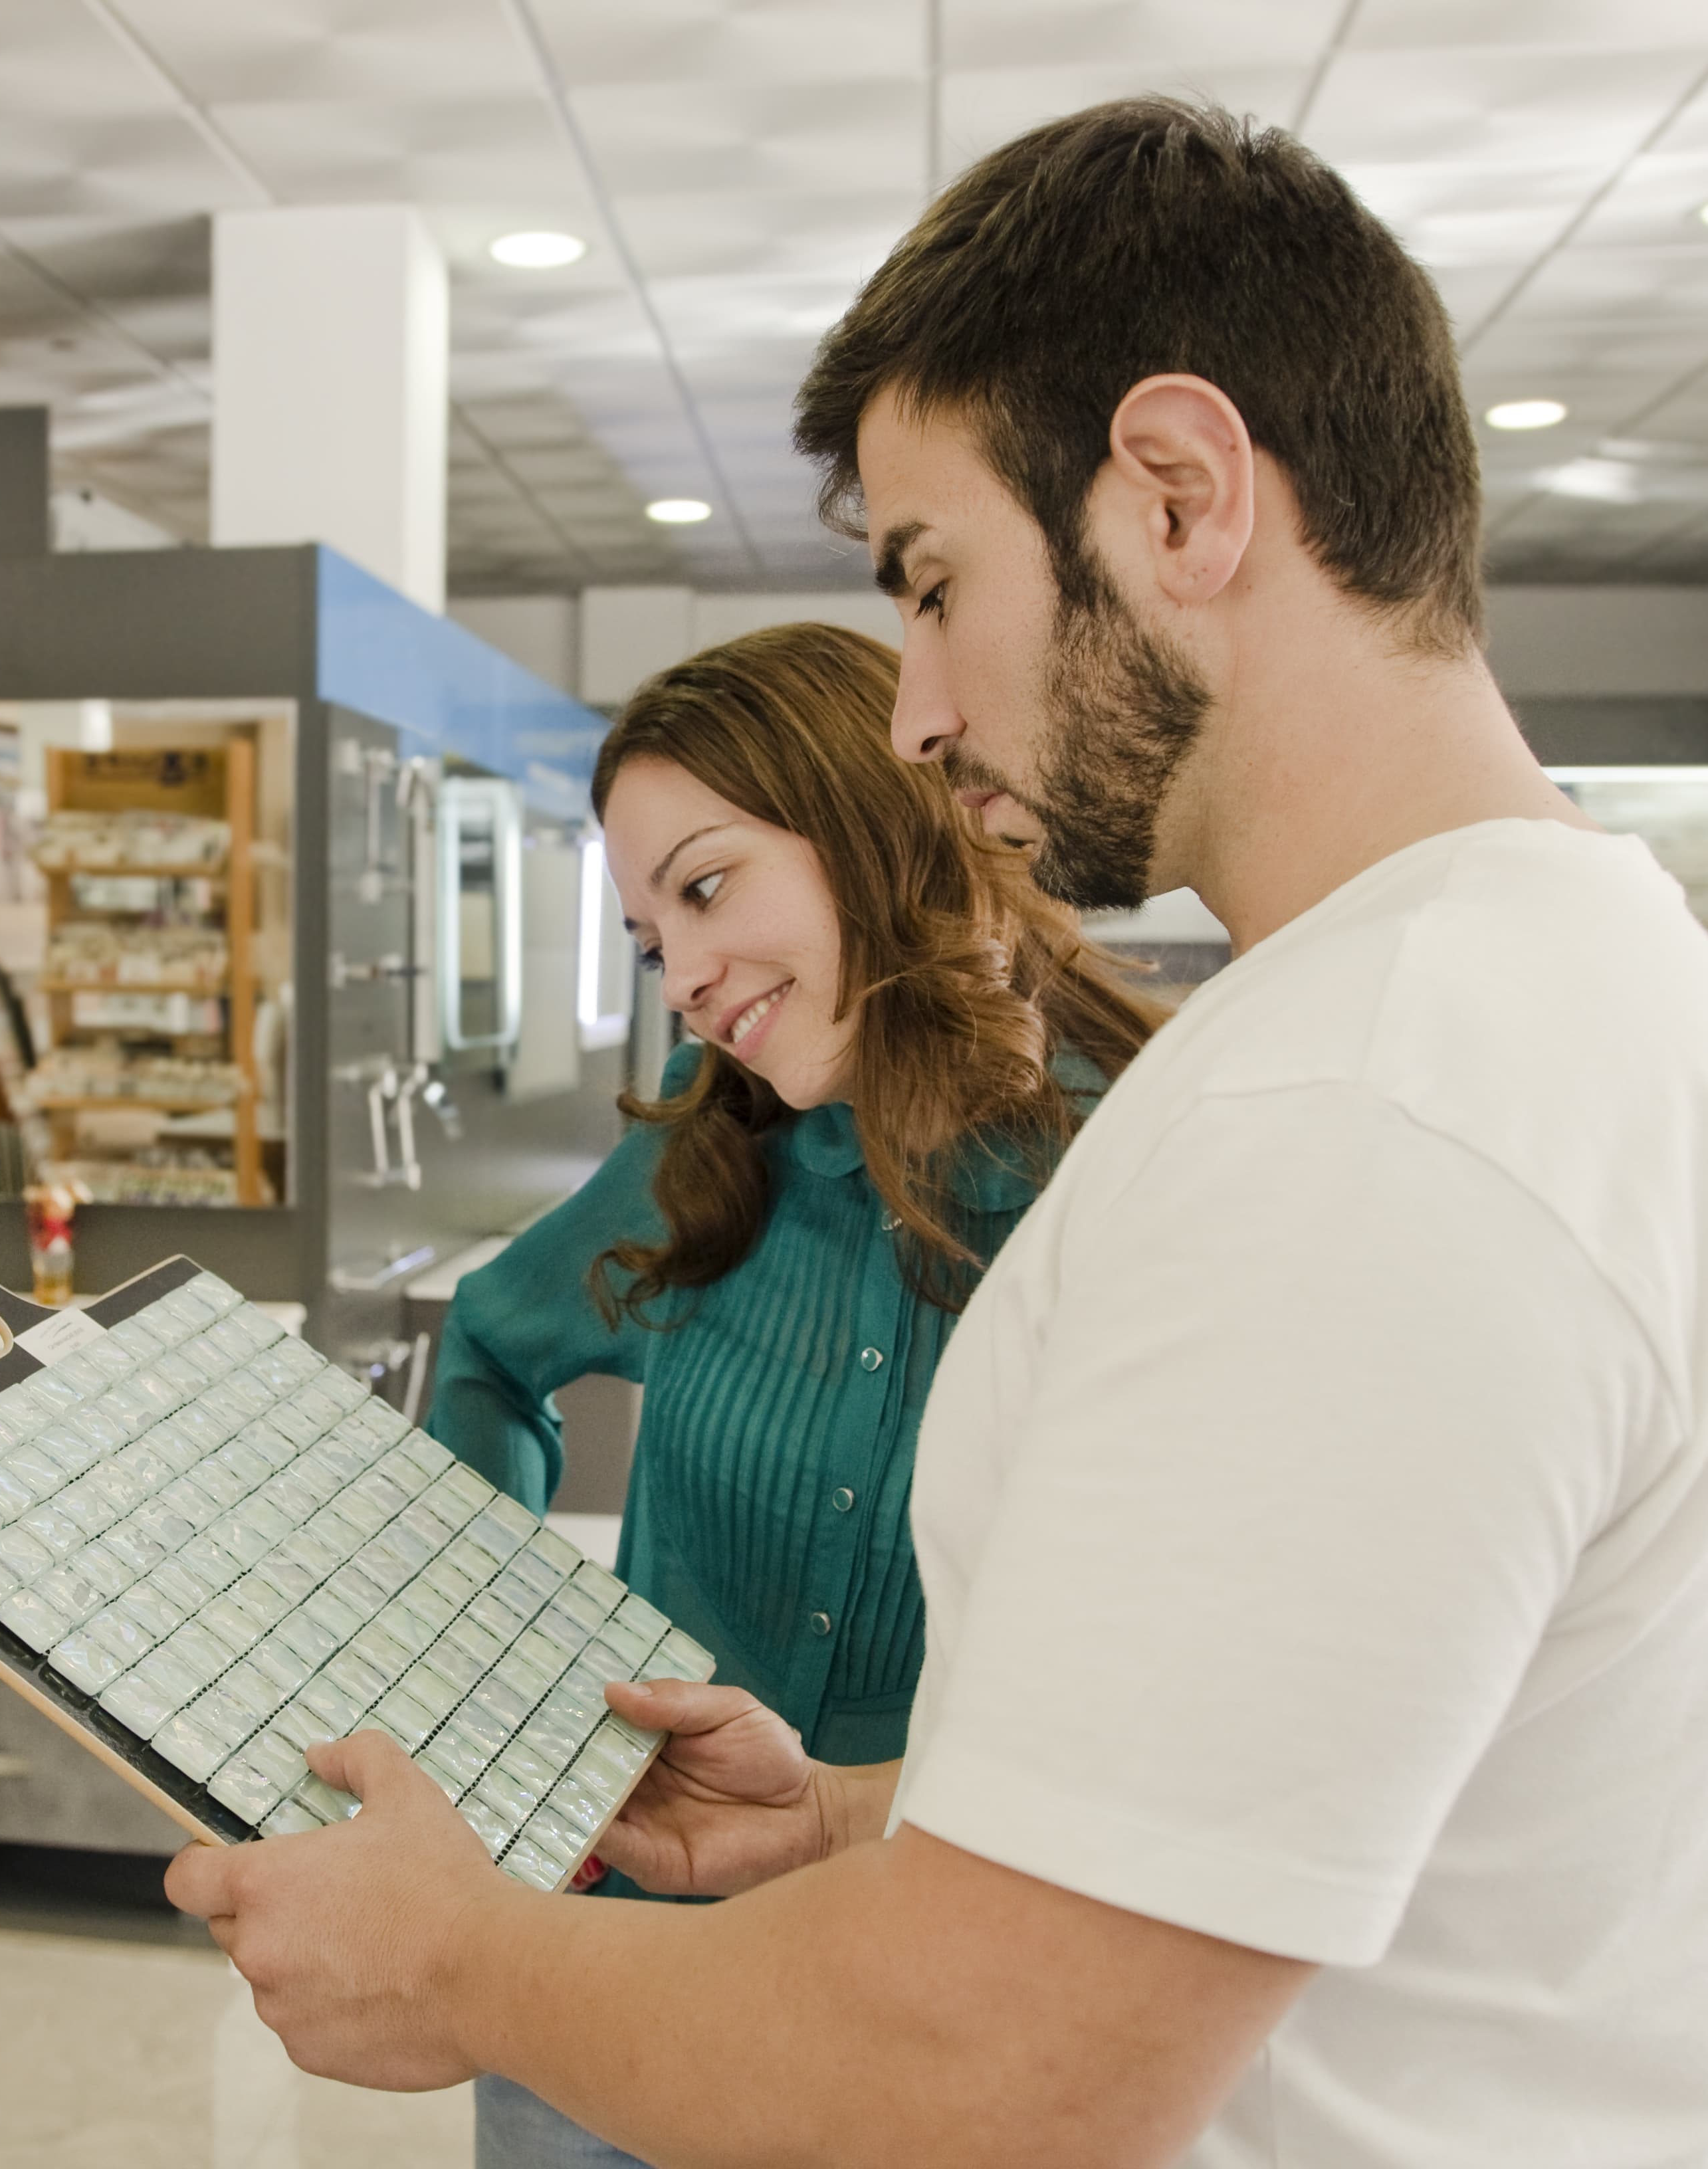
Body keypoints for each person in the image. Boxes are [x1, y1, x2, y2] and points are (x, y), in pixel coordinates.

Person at [169, 95, 1708, 2169]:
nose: (918, 712)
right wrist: (862, 1822)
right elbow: (1323, 1820)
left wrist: (461, 1963)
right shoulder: (1558, 998)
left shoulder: (1365, 1112)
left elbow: (998, 2079)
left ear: (1176, 495)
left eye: (934, 580)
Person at [424, 621, 1161, 2166]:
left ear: (872, 818)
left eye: (705, 890)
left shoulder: (1142, 1176)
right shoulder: (704, 1158)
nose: (684, 979)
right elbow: (489, 1347)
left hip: (930, 2018)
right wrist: (492, 1658)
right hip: (609, 1983)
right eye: (649, 941)